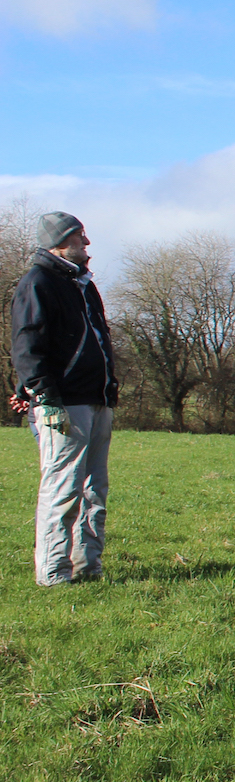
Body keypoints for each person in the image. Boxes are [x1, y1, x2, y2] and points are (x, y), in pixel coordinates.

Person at [9, 212, 119, 587]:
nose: (87, 244)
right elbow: (28, 346)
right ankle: (54, 572)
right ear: (59, 241)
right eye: (79, 237)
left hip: (96, 399)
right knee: (63, 488)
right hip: (64, 403)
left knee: (94, 490)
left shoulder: (83, 285)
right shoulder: (38, 282)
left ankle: (89, 566)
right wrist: (44, 396)